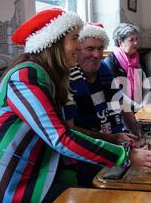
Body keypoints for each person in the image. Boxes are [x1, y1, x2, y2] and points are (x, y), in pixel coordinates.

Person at [0, 9, 151, 203]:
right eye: (75, 40)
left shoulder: (49, 76)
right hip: (5, 189)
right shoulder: (26, 76)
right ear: (52, 42)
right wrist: (126, 156)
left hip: (37, 176)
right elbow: (61, 137)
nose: (79, 48)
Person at [61, 23, 142, 186]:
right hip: (83, 153)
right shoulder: (67, 78)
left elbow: (121, 104)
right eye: (90, 49)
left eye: (100, 48)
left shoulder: (103, 69)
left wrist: (139, 136)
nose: (97, 54)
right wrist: (113, 138)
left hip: (114, 143)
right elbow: (70, 129)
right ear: (77, 50)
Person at [103, 23, 150, 111]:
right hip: (119, 109)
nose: (136, 42)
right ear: (120, 42)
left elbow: (146, 85)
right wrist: (137, 107)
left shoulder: (136, 60)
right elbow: (116, 91)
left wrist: (144, 105)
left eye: (136, 39)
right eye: (131, 40)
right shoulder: (110, 62)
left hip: (140, 108)